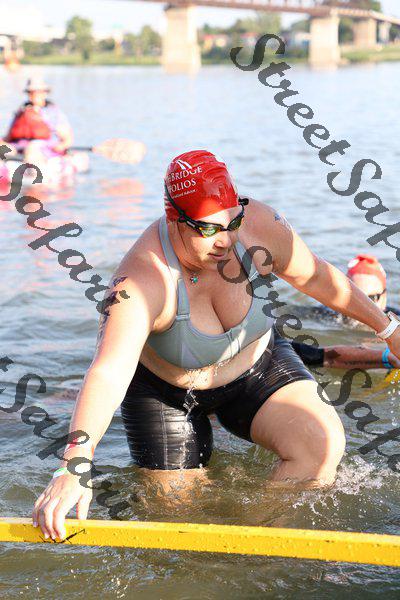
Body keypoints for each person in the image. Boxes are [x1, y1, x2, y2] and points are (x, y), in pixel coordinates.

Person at [32, 150, 400, 541]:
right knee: (180, 521)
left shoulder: (259, 225)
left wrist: (389, 330)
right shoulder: (140, 281)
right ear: (175, 219)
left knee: (321, 447)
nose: (225, 240)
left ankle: (258, 548)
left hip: (257, 365)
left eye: (232, 223)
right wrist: (74, 464)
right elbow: (108, 371)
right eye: (208, 229)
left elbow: (317, 277)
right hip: (166, 394)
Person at [1, 76, 73, 164]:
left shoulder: (53, 113)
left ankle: (30, 169)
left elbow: (67, 138)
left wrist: (61, 146)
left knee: (32, 148)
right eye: (31, 92)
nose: (35, 95)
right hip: (19, 146)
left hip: (43, 148)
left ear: (45, 93)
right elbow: (8, 136)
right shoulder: (22, 111)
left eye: (38, 92)